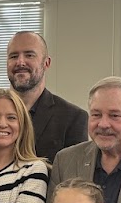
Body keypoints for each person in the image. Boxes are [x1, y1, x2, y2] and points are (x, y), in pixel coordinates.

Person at [5, 31, 88, 163]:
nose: (20, 62)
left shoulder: (73, 119)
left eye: (29, 55)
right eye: (14, 56)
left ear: (46, 63)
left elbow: (74, 180)